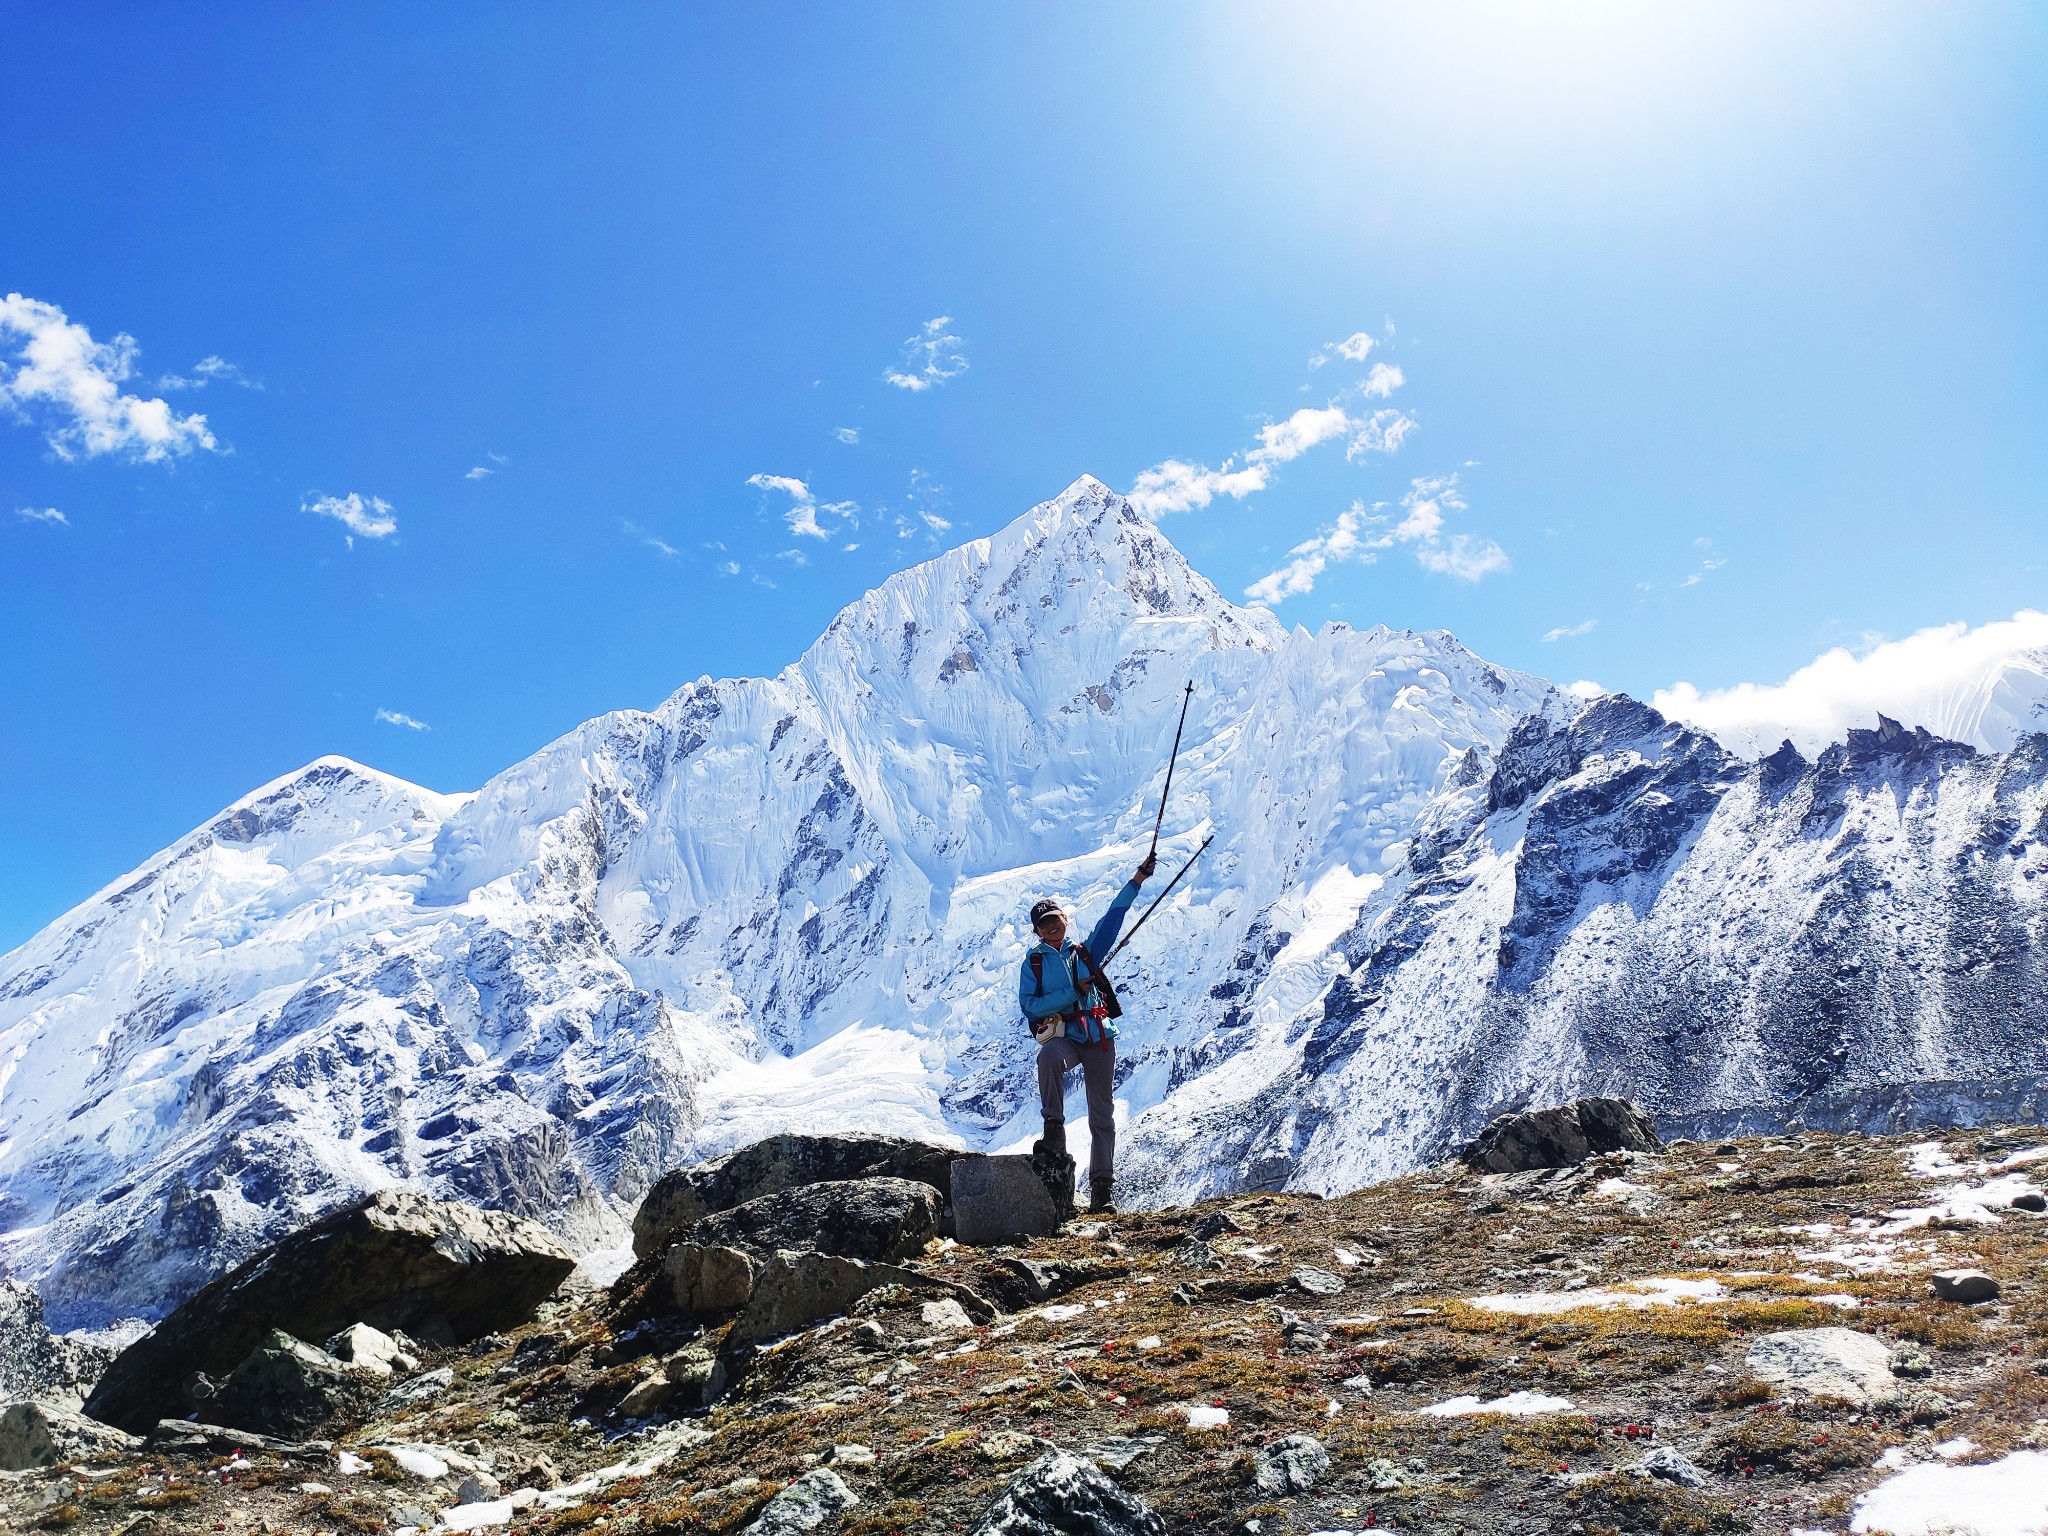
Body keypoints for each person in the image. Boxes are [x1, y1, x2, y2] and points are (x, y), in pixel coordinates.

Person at [1018, 853, 1155, 1214]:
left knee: (1102, 1114)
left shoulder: (1085, 951)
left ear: (1065, 921)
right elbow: (1030, 1007)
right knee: (1048, 1056)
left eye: (1055, 920)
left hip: (1097, 1036)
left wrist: (1137, 880)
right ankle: (1054, 1128)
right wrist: (1073, 993)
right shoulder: (1033, 963)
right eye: (1044, 924)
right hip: (1067, 1037)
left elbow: (1113, 917)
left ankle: (1102, 1189)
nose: (1051, 927)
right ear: (1037, 931)